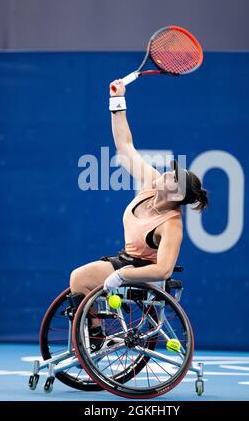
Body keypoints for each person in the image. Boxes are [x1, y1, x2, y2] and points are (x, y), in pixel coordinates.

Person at [69, 79, 208, 349]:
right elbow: (125, 148)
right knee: (80, 280)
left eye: (172, 178)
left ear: (177, 196)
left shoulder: (171, 226)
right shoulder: (151, 184)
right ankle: (94, 334)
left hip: (141, 272)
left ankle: (93, 339)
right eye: (170, 171)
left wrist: (122, 276)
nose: (166, 174)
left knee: (79, 277)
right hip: (124, 260)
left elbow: (164, 269)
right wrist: (117, 102)